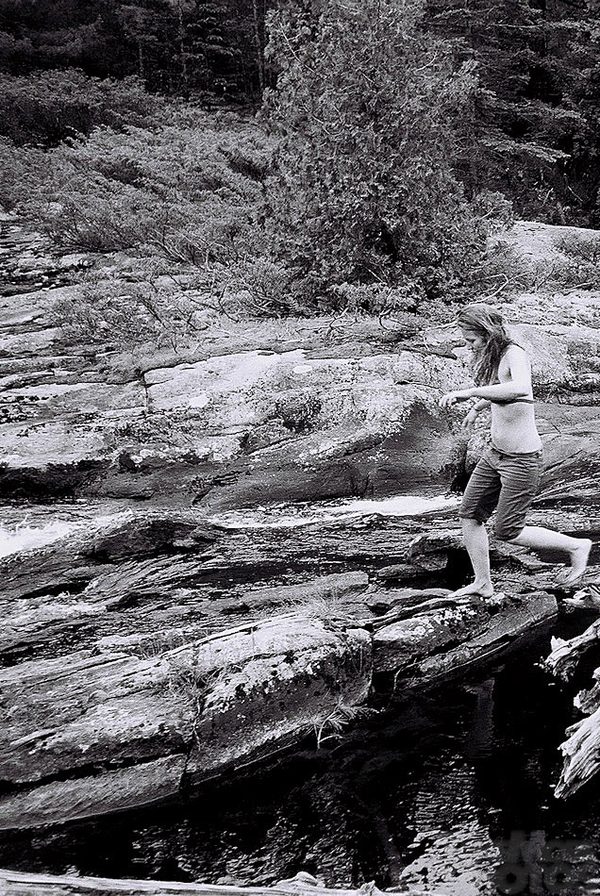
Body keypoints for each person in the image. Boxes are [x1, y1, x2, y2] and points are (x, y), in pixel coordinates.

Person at [439, 303, 591, 598]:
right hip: (495, 454)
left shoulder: (514, 354)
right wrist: (478, 407)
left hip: (521, 460)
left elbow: (520, 388)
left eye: (471, 340)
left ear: (487, 332)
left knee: (508, 530)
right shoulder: (496, 356)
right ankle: (483, 583)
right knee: (469, 514)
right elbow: (502, 389)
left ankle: (576, 545)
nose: (469, 346)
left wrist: (470, 392)